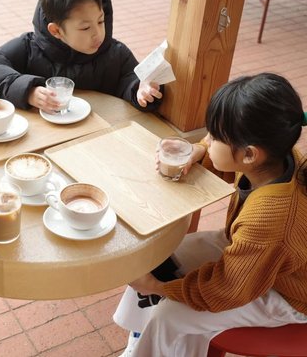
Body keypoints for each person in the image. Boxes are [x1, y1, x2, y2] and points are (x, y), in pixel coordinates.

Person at [113, 73, 307, 357]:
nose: (208, 138)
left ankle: (151, 344)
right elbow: (226, 159)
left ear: (250, 155)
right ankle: (143, 338)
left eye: (215, 136)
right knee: (156, 254)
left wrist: (158, 287)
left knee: (169, 314)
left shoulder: (269, 220)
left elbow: (227, 290)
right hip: (254, 258)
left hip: (287, 293)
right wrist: (199, 150)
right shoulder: (278, 156)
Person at [0, 0, 163, 113]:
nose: (98, 34)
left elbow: (131, 80)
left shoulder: (116, 53)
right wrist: (27, 90)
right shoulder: (29, 48)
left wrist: (141, 90)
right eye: (85, 28)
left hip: (97, 142)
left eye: (100, 21)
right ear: (56, 31)